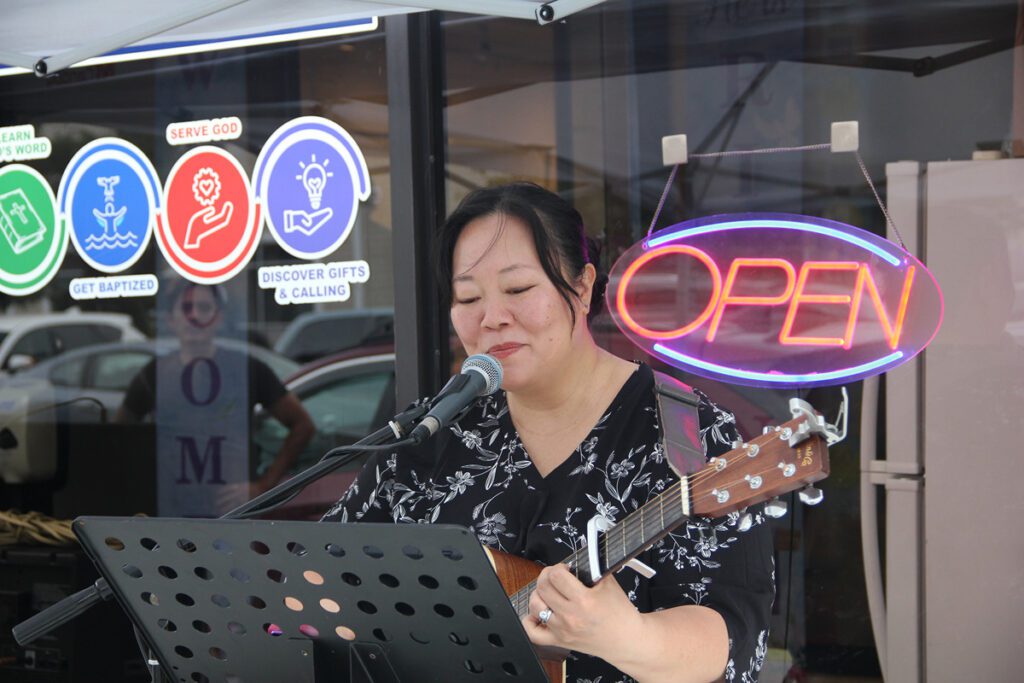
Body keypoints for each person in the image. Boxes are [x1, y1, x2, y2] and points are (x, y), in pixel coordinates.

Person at [322, 183, 774, 682]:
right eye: (468, 296)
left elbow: (734, 639)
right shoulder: (436, 432)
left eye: (518, 290)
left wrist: (626, 637)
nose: (492, 318)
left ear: (581, 287)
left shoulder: (686, 433)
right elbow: (328, 570)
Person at [118, 281, 314, 515]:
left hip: (231, 515)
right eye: (186, 308)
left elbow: (302, 425)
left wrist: (264, 486)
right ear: (171, 319)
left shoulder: (246, 369)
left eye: (203, 308)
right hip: (170, 514)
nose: (195, 316)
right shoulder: (155, 375)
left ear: (218, 317)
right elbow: (119, 436)